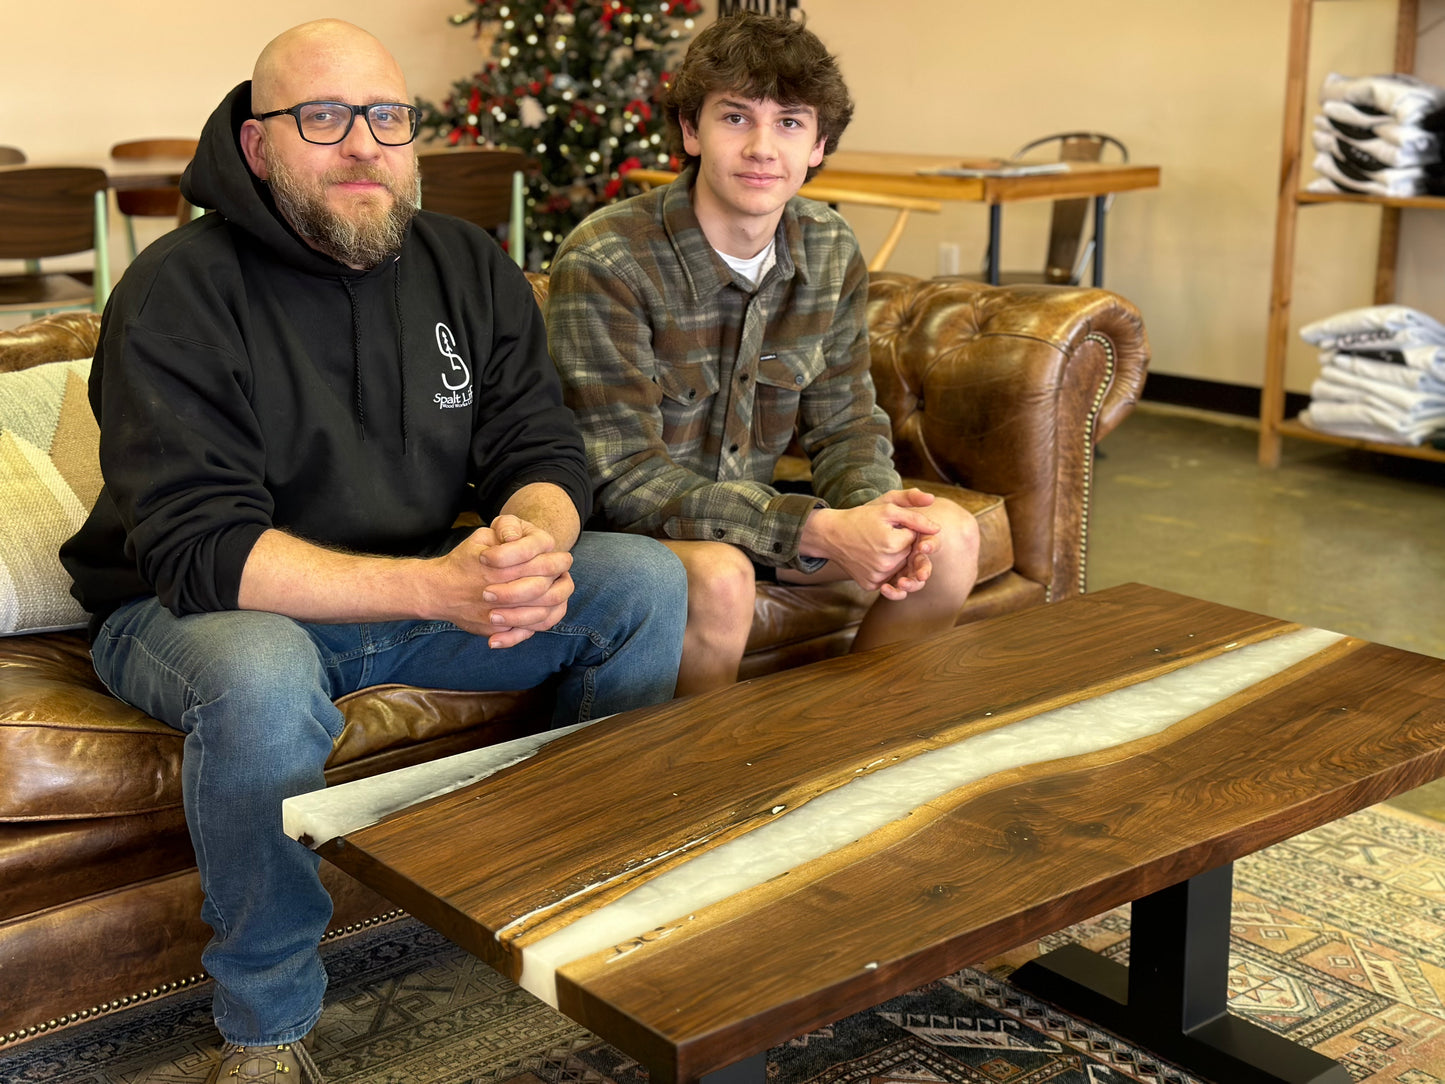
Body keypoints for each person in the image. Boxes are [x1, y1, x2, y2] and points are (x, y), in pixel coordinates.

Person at [59, 19, 686, 1084]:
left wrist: (524, 550)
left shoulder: (465, 266)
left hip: (412, 594)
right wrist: (440, 587)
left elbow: (538, 445)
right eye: (323, 118)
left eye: (387, 118)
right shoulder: (175, 291)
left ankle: (558, 903)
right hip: (193, 611)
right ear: (257, 146)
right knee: (259, 676)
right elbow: (204, 550)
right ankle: (266, 1029)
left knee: (641, 585)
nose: (363, 145)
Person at [547, 12, 980, 695]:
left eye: (789, 123)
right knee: (721, 575)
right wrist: (816, 530)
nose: (761, 147)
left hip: (758, 522)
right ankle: (710, 788)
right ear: (691, 131)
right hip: (637, 540)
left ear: (818, 145)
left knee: (945, 539)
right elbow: (619, 481)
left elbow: (846, 422)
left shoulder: (828, 247)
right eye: (734, 117)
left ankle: (849, 756)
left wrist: (874, 516)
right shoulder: (608, 258)